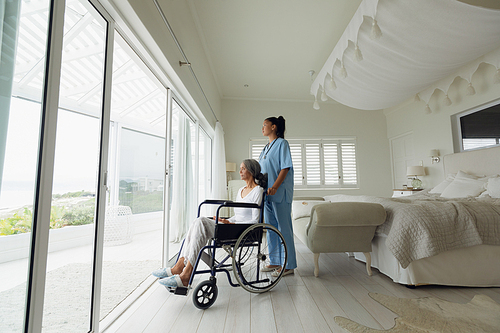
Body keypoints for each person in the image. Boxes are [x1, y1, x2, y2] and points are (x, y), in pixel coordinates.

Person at [153, 159, 267, 288]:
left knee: (200, 221)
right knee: (197, 222)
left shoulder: (258, 191)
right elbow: (239, 216)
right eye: (240, 168)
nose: (240, 171)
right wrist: (228, 221)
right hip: (233, 227)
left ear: (251, 171)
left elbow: (254, 221)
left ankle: (184, 273)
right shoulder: (241, 190)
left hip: (243, 231)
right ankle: (179, 267)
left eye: (243, 168)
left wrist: (232, 225)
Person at [259, 116, 297, 276]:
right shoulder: (265, 148)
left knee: (284, 228)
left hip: (279, 192)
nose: (262, 128)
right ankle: (275, 261)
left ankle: (288, 265)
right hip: (267, 194)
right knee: (271, 228)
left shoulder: (282, 143)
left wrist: (274, 186)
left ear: (274, 127)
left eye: (265, 125)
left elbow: (285, 167)